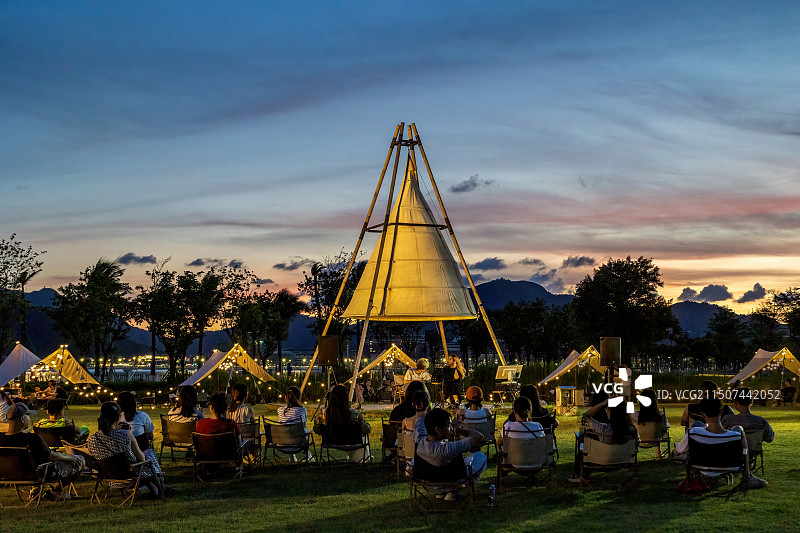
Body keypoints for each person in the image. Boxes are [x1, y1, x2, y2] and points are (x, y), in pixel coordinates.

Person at [673, 397, 766, 489]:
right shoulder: (735, 435)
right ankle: (747, 476)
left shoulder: (693, 432)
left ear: (702, 414)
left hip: (700, 466)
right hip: (730, 466)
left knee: (684, 451)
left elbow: (676, 452)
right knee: (739, 428)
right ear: (721, 411)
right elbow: (744, 451)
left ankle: (696, 476)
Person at [87, 401, 166, 498]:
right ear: (119, 417)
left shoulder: (92, 439)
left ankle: (157, 487)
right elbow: (141, 459)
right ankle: (161, 484)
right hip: (130, 478)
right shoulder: (125, 435)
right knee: (149, 453)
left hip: (109, 479)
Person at [412, 407, 486, 500]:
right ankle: (451, 491)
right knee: (480, 456)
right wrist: (459, 430)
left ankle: (441, 493)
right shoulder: (448, 449)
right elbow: (478, 437)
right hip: (451, 483)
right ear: (438, 429)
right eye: (447, 425)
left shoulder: (419, 441)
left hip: (427, 484)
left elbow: (419, 419)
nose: (450, 428)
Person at [567, 397, 637, 483]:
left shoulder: (602, 429)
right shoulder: (632, 430)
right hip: (623, 461)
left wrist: (603, 403)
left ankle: (581, 475)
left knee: (582, 452)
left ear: (611, 413)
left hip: (600, 461)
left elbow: (585, 416)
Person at [316, 384, 371, 462]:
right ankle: (366, 457)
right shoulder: (352, 414)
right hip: (351, 442)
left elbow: (317, 431)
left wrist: (318, 423)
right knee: (363, 435)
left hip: (331, 442)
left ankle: (362, 457)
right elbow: (367, 430)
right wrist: (362, 421)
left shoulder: (325, 414)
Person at [722, 387, 775, 454]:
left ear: (736, 403)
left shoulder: (728, 420)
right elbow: (769, 438)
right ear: (750, 401)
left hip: (733, 455)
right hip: (752, 453)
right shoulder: (761, 421)